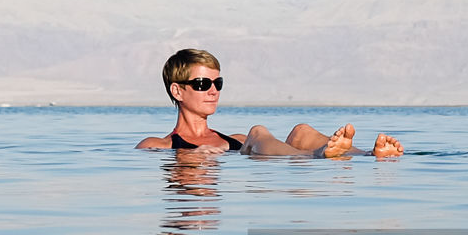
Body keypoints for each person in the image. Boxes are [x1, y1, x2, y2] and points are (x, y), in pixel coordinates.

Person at [136, 49, 404, 158]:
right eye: (203, 84)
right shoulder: (157, 145)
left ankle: (367, 156)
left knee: (301, 131)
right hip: (273, 168)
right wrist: (191, 157)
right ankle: (317, 155)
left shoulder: (234, 140)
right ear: (177, 91)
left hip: (271, 161)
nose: (213, 92)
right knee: (258, 131)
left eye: (217, 84)